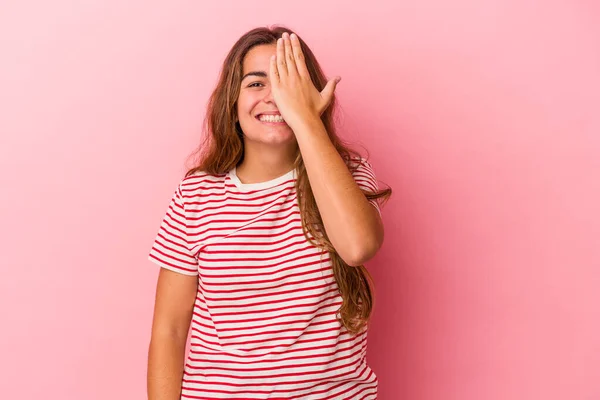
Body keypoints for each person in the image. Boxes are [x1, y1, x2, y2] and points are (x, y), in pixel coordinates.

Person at [147, 25, 391, 400]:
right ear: (232, 99)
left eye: (286, 83)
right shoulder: (196, 194)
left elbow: (358, 246)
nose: (273, 97)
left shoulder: (348, 173)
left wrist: (306, 119)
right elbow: (169, 330)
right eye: (257, 83)